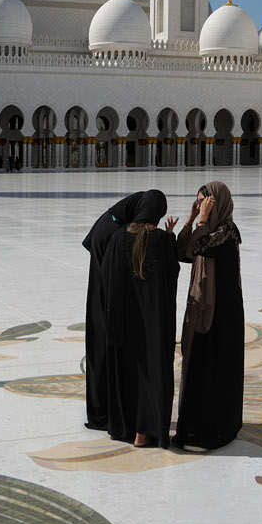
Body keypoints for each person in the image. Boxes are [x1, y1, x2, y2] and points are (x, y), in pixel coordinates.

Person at [98, 189, 178, 446]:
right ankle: (145, 431)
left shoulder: (118, 237)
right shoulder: (162, 242)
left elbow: (106, 277)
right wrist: (170, 237)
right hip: (152, 327)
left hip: (121, 325)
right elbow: (171, 275)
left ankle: (125, 426)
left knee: (127, 372)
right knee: (151, 372)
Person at [173, 181, 245, 452]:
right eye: (199, 203)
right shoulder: (210, 230)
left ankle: (217, 427)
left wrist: (201, 221)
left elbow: (201, 246)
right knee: (198, 368)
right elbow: (183, 252)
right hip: (204, 309)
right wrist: (191, 220)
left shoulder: (227, 231)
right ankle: (195, 423)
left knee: (215, 369)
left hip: (221, 316)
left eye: (205, 203)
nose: (202, 207)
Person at [80, 190, 158, 432]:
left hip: (100, 303)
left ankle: (103, 409)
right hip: (106, 305)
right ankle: (105, 412)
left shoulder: (110, 221)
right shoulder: (114, 234)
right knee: (105, 353)